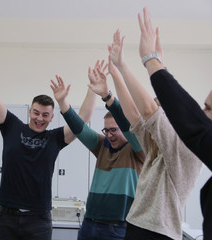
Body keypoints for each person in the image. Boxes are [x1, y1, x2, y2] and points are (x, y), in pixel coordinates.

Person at [107, 26, 202, 239]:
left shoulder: (184, 150)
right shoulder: (155, 148)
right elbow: (134, 114)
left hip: (158, 233)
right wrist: (115, 73)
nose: (150, 123)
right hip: (136, 225)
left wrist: (129, 65)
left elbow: (150, 111)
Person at [0, 64, 96, 239]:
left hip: (38, 220)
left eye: (45, 115)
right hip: (7, 217)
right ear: (30, 111)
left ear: (52, 117)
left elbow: (82, 120)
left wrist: (92, 89)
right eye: (36, 113)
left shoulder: (55, 138)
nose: (39, 118)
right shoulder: (11, 127)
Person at [137, 7, 212, 238]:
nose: (201, 112)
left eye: (209, 109)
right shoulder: (157, 147)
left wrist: (149, 60)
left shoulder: (183, 148)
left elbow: (185, 118)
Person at [51, 61, 144, 240]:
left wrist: (107, 96)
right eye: (106, 130)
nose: (109, 135)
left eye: (113, 130)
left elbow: (127, 124)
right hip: (90, 223)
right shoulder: (103, 145)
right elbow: (80, 129)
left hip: (118, 227)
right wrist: (63, 103)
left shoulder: (137, 147)